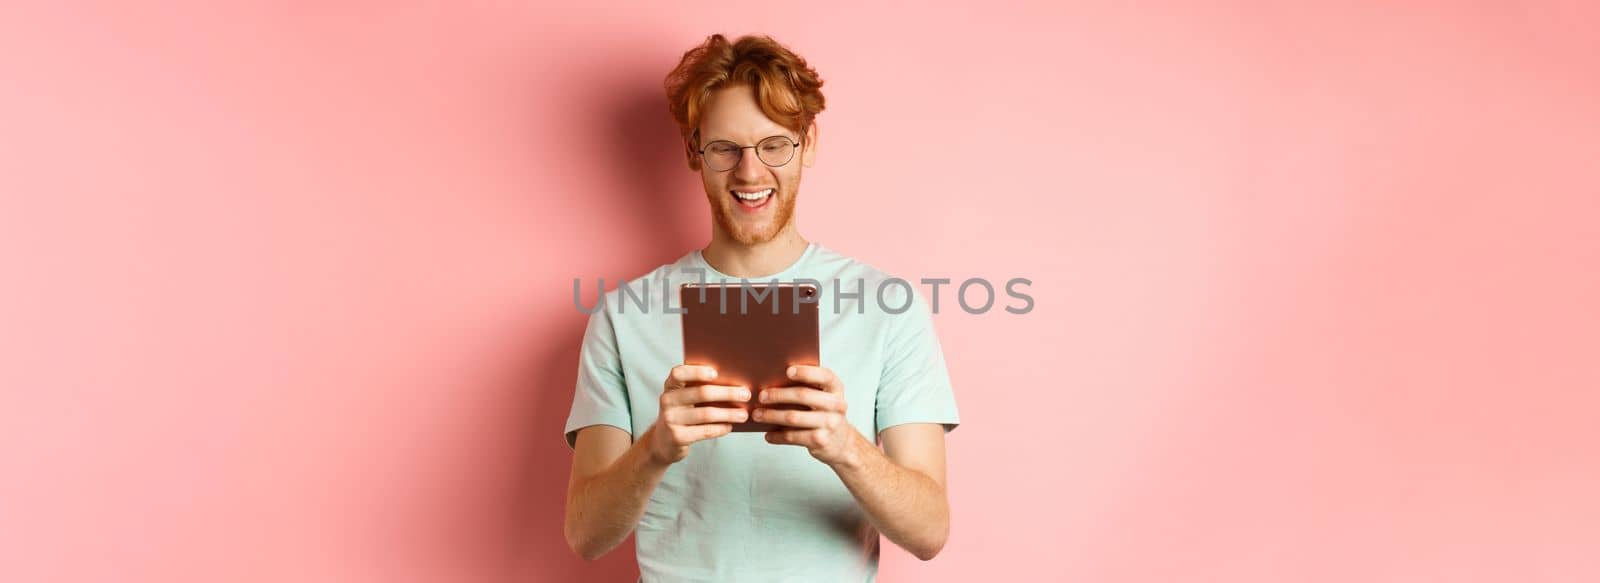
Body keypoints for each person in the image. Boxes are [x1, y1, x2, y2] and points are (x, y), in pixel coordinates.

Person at [562, 33, 960, 582]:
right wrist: (656, 447)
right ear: (693, 153)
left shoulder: (890, 308)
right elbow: (585, 536)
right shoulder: (623, 316)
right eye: (725, 148)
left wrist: (843, 446)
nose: (750, 173)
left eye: (774, 144)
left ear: (808, 143)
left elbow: (929, 532)